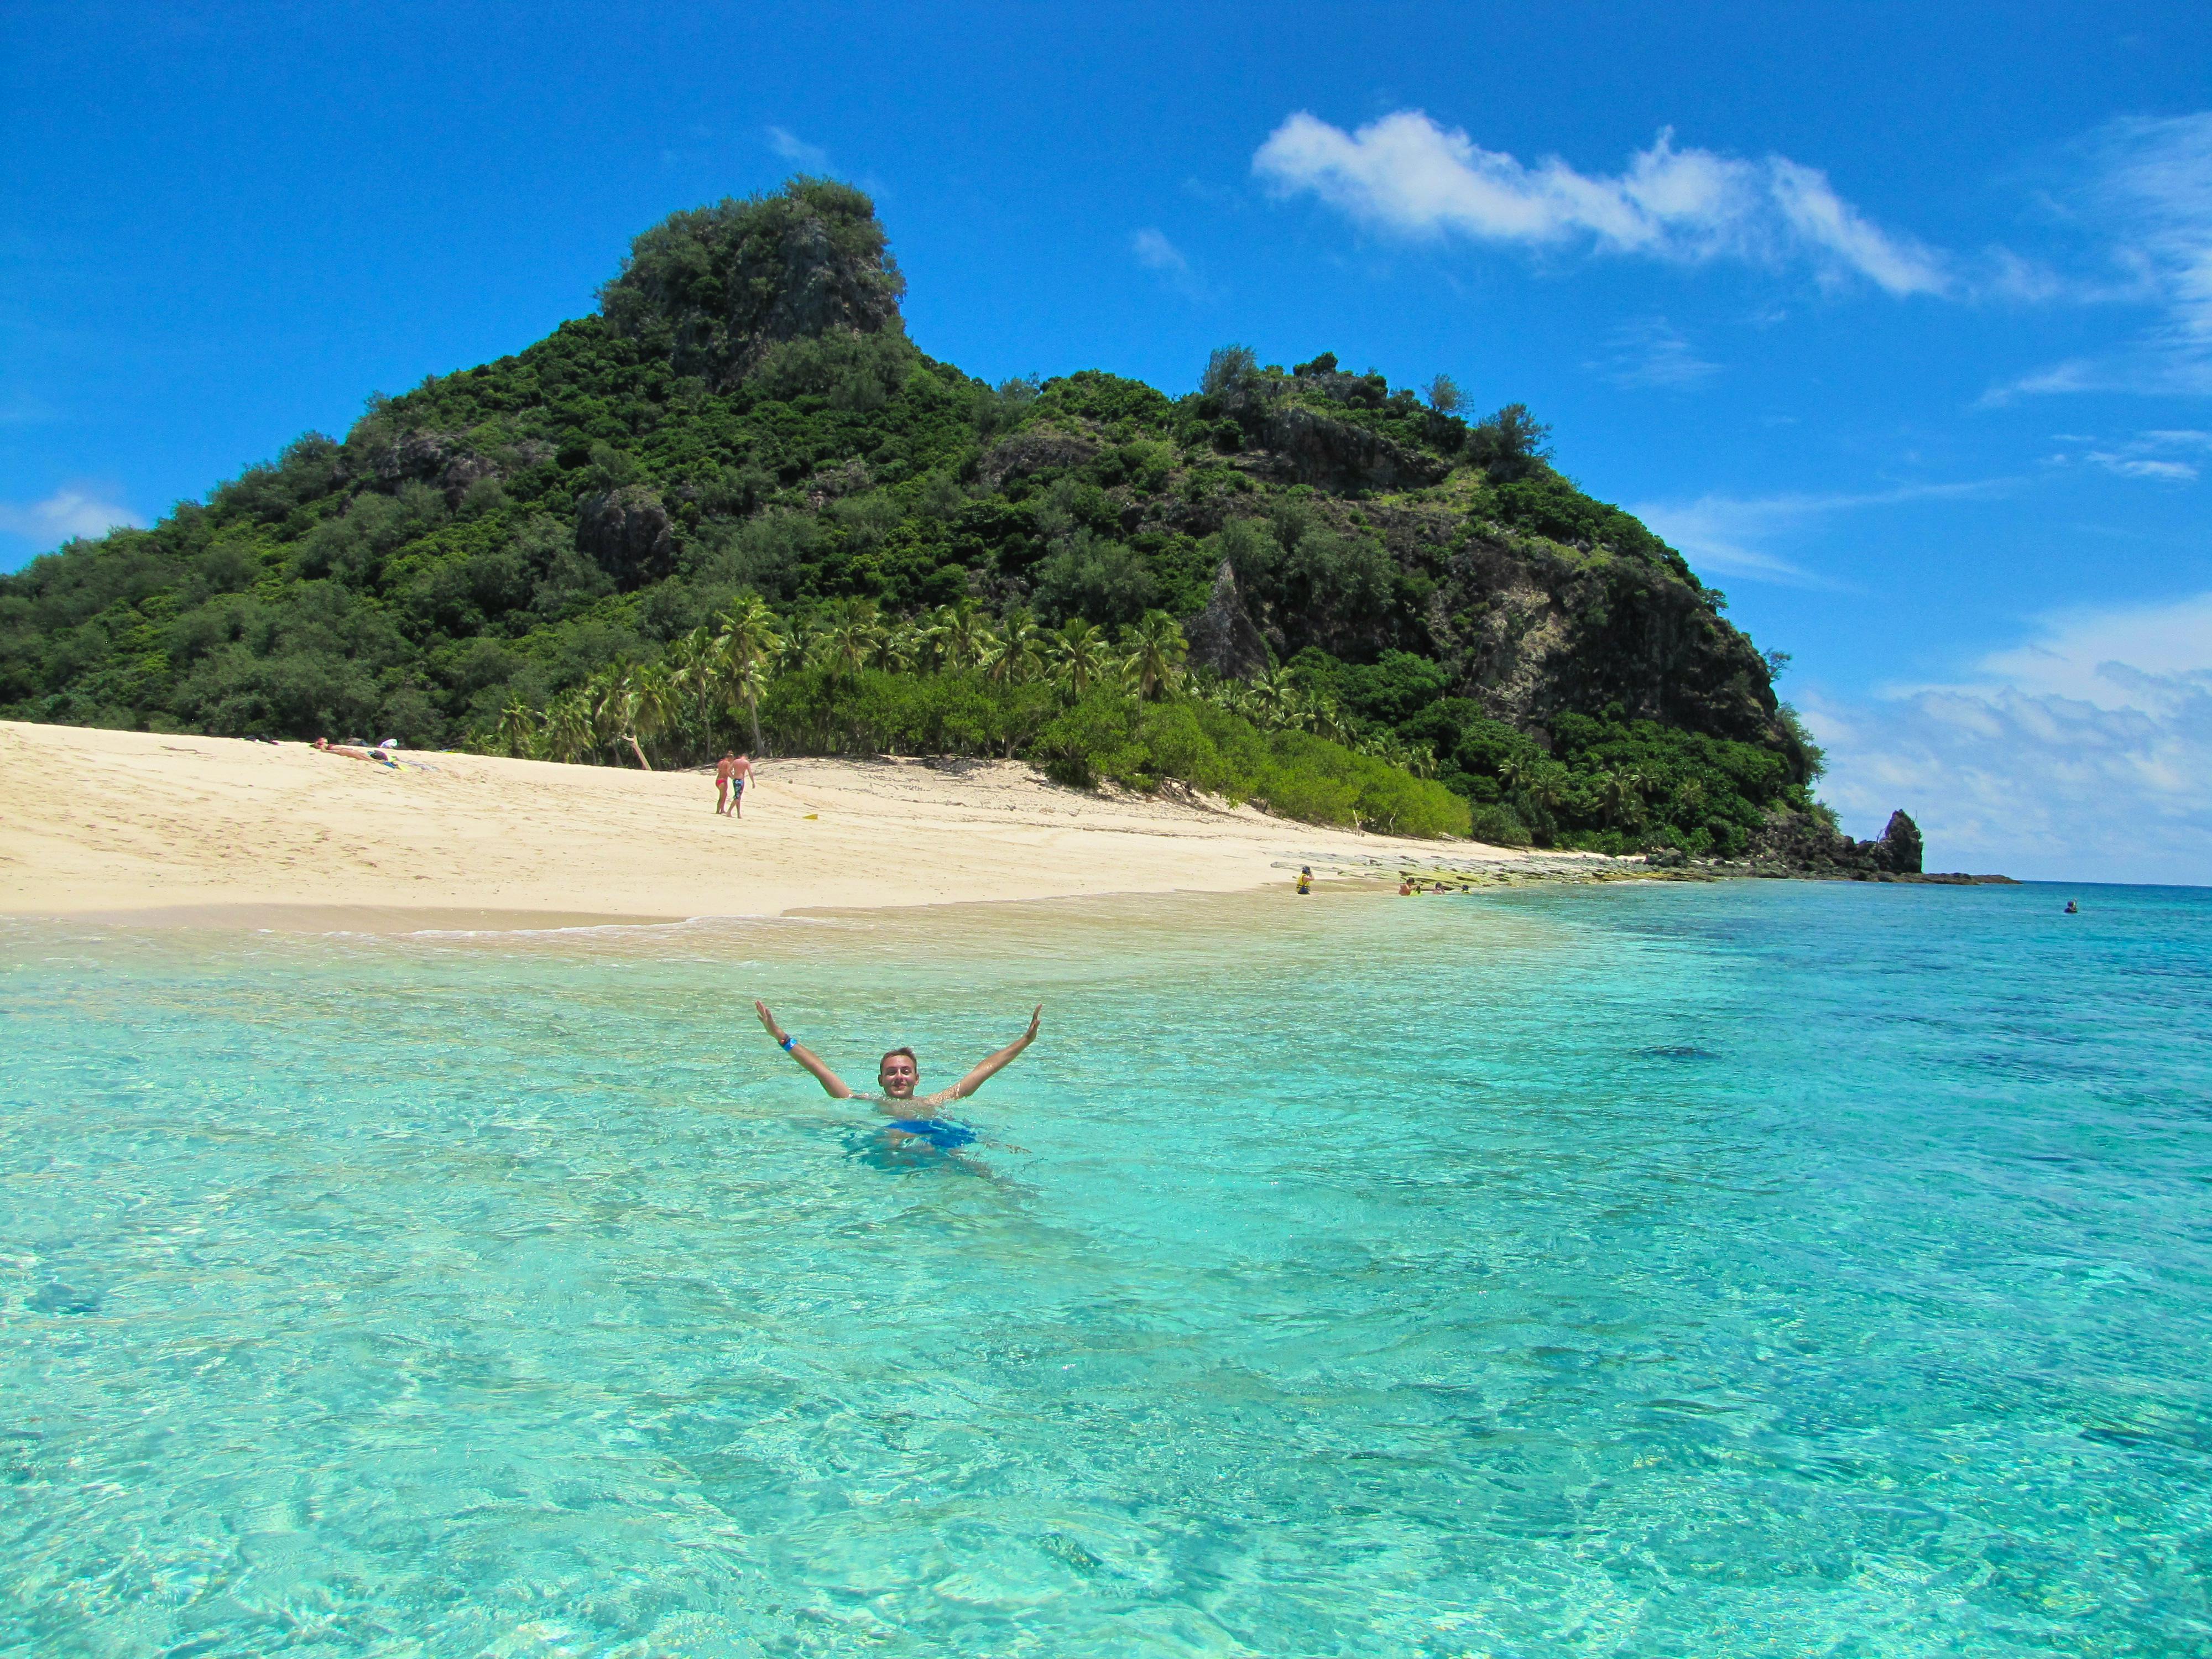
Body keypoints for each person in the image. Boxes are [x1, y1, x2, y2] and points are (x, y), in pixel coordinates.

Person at [754, 999, 1042, 1149]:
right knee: (892, 1139)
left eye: (906, 1071)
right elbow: (820, 1070)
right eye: (891, 1073)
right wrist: (780, 1036)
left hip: (938, 1138)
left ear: (917, 1079)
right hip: (903, 1145)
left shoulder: (935, 1101)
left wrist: (1024, 1042)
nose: (899, 1077)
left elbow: (983, 1071)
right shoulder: (866, 1101)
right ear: (881, 1080)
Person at [714, 752, 739, 816]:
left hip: (718, 780)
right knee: (722, 796)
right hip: (723, 781)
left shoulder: (721, 762)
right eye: (733, 758)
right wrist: (733, 778)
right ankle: (718, 811)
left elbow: (721, 771)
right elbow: (728, 772)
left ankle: (722, 810)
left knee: (724, 795)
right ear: (730, 758)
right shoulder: (728, 763)